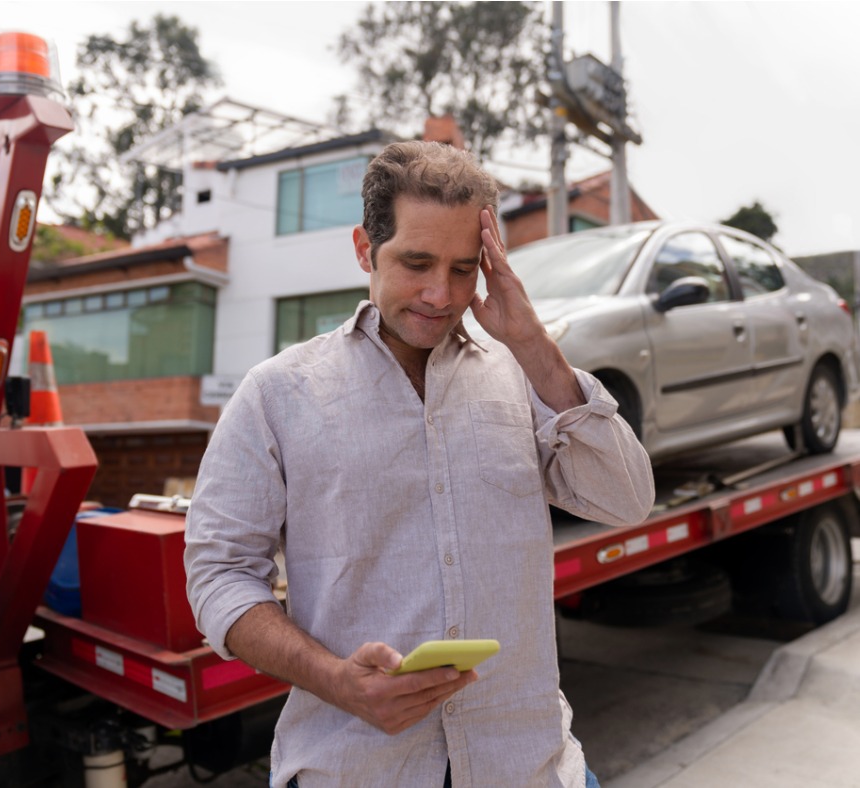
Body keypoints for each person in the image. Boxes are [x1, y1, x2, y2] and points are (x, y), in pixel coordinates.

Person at [184, 141, 655, 787]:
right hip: (356, 769)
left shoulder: (523, 375)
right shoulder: (277, 394)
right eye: (416, 262)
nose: (441, 292)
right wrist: (336, 681)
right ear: (363, 249)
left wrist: (531, 343)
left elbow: (626, 500)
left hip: (531, 765)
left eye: (465, 268)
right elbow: (219, 574)